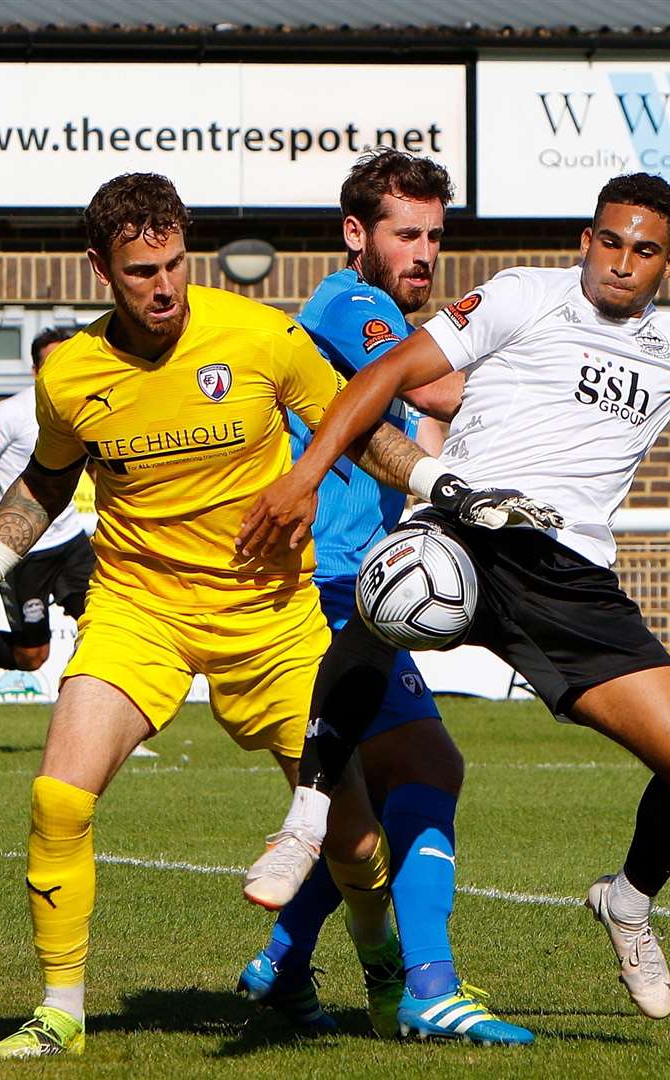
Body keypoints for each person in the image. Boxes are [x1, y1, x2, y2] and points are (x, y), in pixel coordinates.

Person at [0, 172, 554, 1057]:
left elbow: (362, 430)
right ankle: (60, 1013)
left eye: (173, 264)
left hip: (272, 617)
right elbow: (44, 482)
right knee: (57, 798)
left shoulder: (261, 336)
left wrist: (445, 487)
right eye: (139, 272)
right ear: (98, 269)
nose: (162, 288)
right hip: (139, 611)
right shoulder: (71, 372)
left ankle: (383, 967)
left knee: (351, 837)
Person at [236, 172, 670, 1018]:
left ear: (667, 263)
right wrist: (309, 473)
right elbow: (388, 375)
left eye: (642, 250)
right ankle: (307, 818)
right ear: (586, 240)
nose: (620, 261)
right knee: (386, 597)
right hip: (468, 525)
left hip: (568, 575)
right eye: (608, 241)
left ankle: (630, 901)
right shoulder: (518, 296)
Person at [234, 149, 532, 1045]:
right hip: (320, 590)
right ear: (356, 235)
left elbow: (428, 416)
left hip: (351, 583)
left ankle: (285, 962)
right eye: (406, 233)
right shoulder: (349, 304)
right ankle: (425, 983)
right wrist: (546, 377)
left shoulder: (381, 319)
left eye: (436, 236)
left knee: (373, 803)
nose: (424, 253)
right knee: (423, 776)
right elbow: (435, 382)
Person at [0, 326, 94, 679]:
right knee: (32, 656)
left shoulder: (85, 406)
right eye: (53, 363)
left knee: (101, 624)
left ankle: (103, 724)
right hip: (25, 552)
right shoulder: (13, 412)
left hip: (71, 543)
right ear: (37, 372)